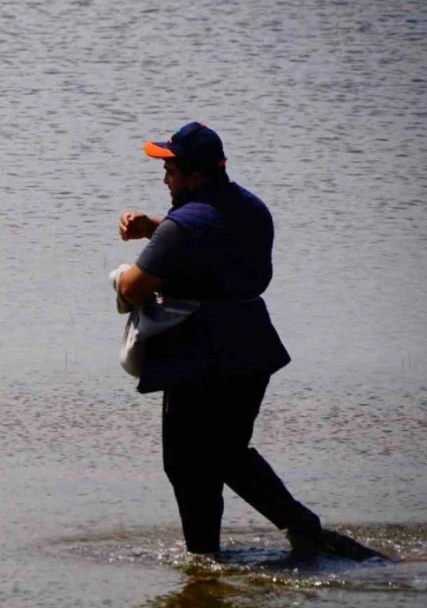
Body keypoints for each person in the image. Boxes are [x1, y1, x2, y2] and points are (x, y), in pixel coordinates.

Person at [116, 121, 383, 560]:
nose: (165, 179)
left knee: (186, 463)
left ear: (195, 175)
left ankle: (207, 557)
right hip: (252, 348)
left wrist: (126, 269)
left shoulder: (181, 230)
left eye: (170, 169)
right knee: (226, 453)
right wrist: (157, 228)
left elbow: (132, 290)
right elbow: (214, 232)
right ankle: (297, 528)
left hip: (198, 354)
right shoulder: (252, 208)